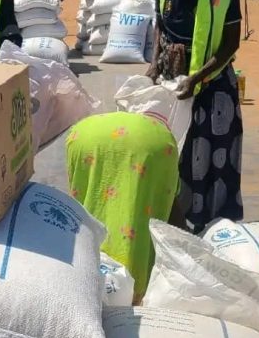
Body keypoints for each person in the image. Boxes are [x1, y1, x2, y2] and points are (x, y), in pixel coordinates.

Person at [147, 0, 242, 235]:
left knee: (206, 160)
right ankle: (174, 222)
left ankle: (209, 228)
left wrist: (197, 77)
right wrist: (154, 63)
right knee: (170, 155)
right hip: (173, 83)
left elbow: (230, 44)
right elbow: (160, 23)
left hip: (210, 87)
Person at [67, 111, 181, 302]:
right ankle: (136, 288)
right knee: (149, 200)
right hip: (154, 141)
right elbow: (170, 203)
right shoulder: (161, 134)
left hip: (85, 136)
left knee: (90, 194)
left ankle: (96, 266)